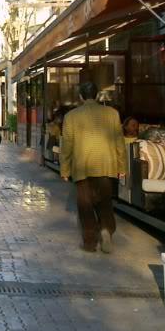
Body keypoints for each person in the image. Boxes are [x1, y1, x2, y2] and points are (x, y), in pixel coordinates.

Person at [61, 81, 127, 254]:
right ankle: (106, 230)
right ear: (97, 95)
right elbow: (119, 142)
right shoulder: (112, 114)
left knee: (85, 205)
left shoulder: (71, 116)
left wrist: (65, 170)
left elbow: (67, 145)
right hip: (107, 166)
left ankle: (90, 242)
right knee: (105, 202)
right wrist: (122, 167)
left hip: (82, 167)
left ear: (81, 97)